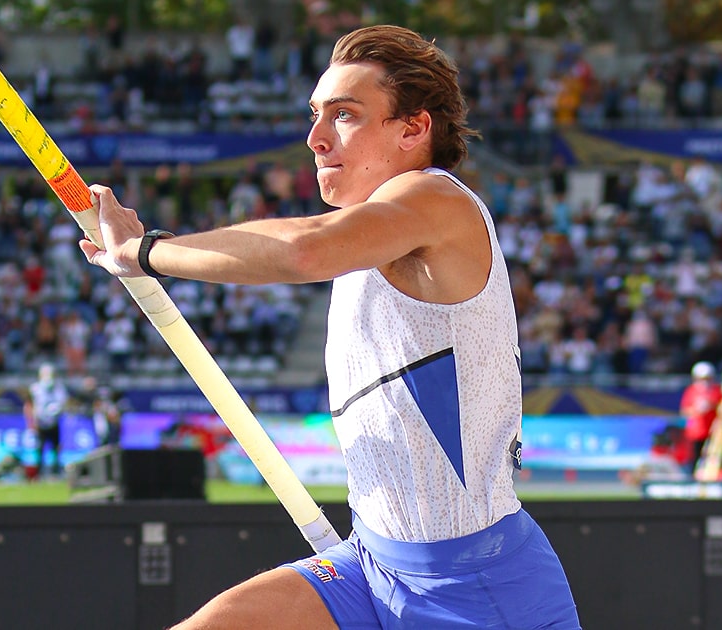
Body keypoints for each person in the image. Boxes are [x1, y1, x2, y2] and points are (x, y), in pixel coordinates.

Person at [79, 24, 580, 629]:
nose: (315, 138)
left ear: (413, 128)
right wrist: (152, 246)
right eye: (315, 115)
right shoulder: (368, 232)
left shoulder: (435, 202)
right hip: (369, 570)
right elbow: (277, 237)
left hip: (475, 587)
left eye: (343, 115)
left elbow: (302, 251)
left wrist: (147, 251)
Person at [23, 363, 69, 478]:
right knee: (40, 449)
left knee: (56, 448)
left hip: (54, 422)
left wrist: (59, 411)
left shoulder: (59, 388)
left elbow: (64, 403)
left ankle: (56, 471)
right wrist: (32, 422)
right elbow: (29, 405)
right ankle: (38, 473)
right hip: (41, 423)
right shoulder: (35, 388)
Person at [680, 361, 722, 476]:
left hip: (713, 431)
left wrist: (712, 405)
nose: (704, 381)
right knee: (695, 458)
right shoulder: (691, 391)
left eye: (707, 378)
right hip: (696, 432)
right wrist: (696, 410)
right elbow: (684, 410)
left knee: (714, 458)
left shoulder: (717, 391)